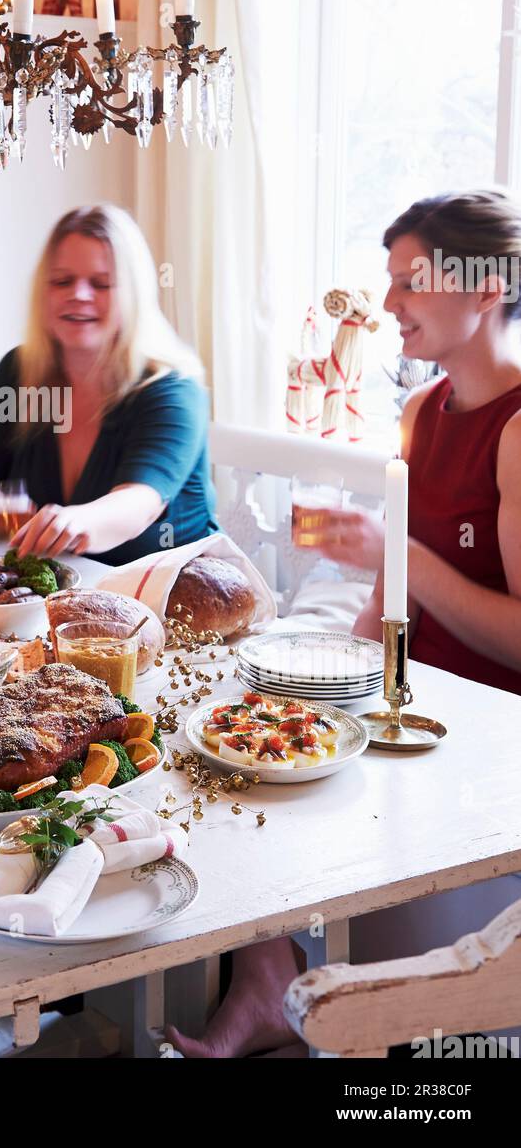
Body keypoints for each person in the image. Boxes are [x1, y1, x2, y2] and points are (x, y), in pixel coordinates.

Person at [167, 189, 521, 1058]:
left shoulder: (516, 430)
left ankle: (355, 1018)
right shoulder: (422, 410)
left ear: (486, 289)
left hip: (484, 737)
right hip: (407, 698)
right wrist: (309, 690)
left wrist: (399, 554)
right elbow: (391, 601)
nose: (389, 301)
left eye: (412, 280)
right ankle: (265, 981)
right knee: (227, 746)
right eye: (389, 279)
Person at [0, 203, 218, 565]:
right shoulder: (16, 373)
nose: (79, 294)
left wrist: (73, 522)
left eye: (101, 284)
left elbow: (138, 505)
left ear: (133, 296)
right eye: (62, 281)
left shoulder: (171, 389)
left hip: (173, 591)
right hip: (64, 593)